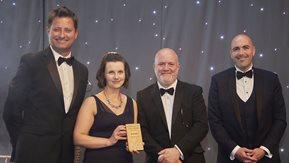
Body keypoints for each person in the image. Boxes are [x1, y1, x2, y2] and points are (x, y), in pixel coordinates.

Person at [3, 6, 88, 163]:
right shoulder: (31, 62)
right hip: (32, 154)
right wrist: (21, 144)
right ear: (48, 31)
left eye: (67, 30)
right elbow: (11, 111)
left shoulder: (82, 71)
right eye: (57, 29)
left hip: (65, 156)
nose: (62, 35)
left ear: (76, 34)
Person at [208, 34, 287, 163]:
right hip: (230, 158)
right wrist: (235, 150)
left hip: (267, 158)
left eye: (245, 47)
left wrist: (263, 149)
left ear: (253, 50)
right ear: (231, 53)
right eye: (236, 49)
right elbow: (215, 122)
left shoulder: (271, 79)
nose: (241, 53)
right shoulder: (217, 81)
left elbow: (280, 119)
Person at [137, 48, 208, 163]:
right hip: (157, 159)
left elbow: (201, 125)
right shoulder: (142, 96)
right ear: (154, 67)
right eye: (161, 64)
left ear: (178, 66)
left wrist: (177, 152)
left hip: (190, 158)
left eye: (171, 64)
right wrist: (164, 157)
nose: (166, 68)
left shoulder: (194, 92)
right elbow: (142, 130)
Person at [73, 52, 138, 163]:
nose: (116, 77)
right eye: (111, 72)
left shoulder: (132, 103)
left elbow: (133, 137)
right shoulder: (91, 102)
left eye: (120, 72)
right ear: (103, 75)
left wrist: (134, 145)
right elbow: (78, 138)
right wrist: (109, 141)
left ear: (125, 74)